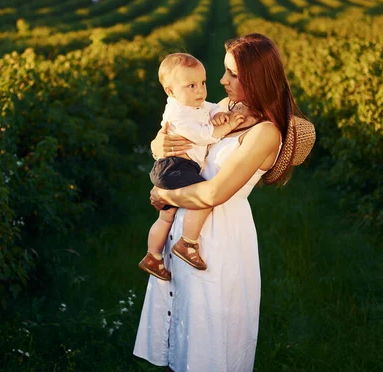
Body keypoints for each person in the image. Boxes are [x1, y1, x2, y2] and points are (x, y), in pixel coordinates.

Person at [133, 33, 315, 372]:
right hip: (188, 227)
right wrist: (160, 145)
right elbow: (183, 134)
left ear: (256, 78)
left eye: (232, 74)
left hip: (218, 239)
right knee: (183, 330)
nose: (221, 81)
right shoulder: (230, 108)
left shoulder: (265, 133)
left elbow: (214, 193)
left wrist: (165, 195)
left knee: (209, 340)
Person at [138, 53, 245, 281]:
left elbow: (212, 107)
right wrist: (225, 127)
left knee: (166, 217)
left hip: (175, 166)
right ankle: (188, 242)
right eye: (191, 85)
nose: (200, 91)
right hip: (175, 165)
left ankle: (153, 256)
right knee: (203, 197)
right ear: (170, 91)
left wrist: (218, 115)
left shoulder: (193, 103)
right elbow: (203, 136)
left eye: (203, 83)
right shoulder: (178, 113)